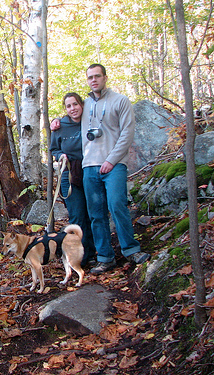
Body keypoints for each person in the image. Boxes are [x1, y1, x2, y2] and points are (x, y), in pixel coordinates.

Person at [81, 63, 150, 275]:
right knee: (96, 214)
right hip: (89, 167)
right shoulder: (83, 105)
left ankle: (131, 250)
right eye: (90, 77)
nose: (94, 80)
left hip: (114, 165)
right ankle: (105, 257)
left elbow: (127, 134)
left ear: (105, 77)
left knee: (118, 204)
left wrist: (111, 160)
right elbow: (70, 118)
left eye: (97, 76)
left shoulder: (120, 101)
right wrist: (56, 122)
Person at [49, 92, 96, 266]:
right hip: (69, 174)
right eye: (68, 106)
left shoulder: (89, 120)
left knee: (94, 213)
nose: (72, 109)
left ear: (81, 105)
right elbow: (54, 149)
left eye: (75, 104)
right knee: (77, 216)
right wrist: (61, 155)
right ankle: (80, 257)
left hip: (91, 169)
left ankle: (94, 253)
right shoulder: (60, 126)